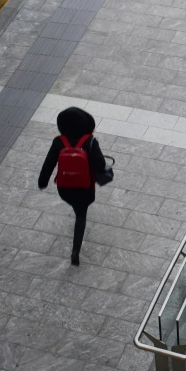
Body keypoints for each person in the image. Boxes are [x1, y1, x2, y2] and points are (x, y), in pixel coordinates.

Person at [38, 107, 106, 266]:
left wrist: (43, 181)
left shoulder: (58, 142)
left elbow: (48, 164)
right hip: (85, 188)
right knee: (81, 216)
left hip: (65, 188)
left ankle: (75, 209)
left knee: (76, 206)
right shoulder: (90, 142)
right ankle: (75, 250)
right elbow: (101, 166)